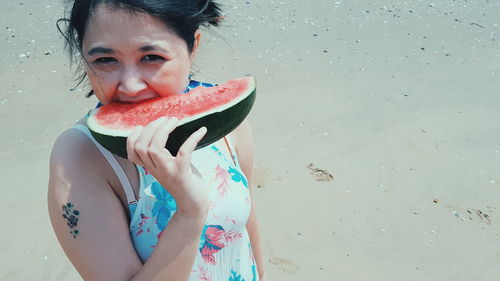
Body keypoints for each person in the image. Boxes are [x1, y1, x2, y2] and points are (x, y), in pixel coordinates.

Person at [47, 1, 266, 280]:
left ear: (193, 47)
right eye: (105, 60)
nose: (131, 85)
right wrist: (189, 212)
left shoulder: (226, 123)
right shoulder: (79, 157)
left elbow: (248, 222)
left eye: (151, 57)